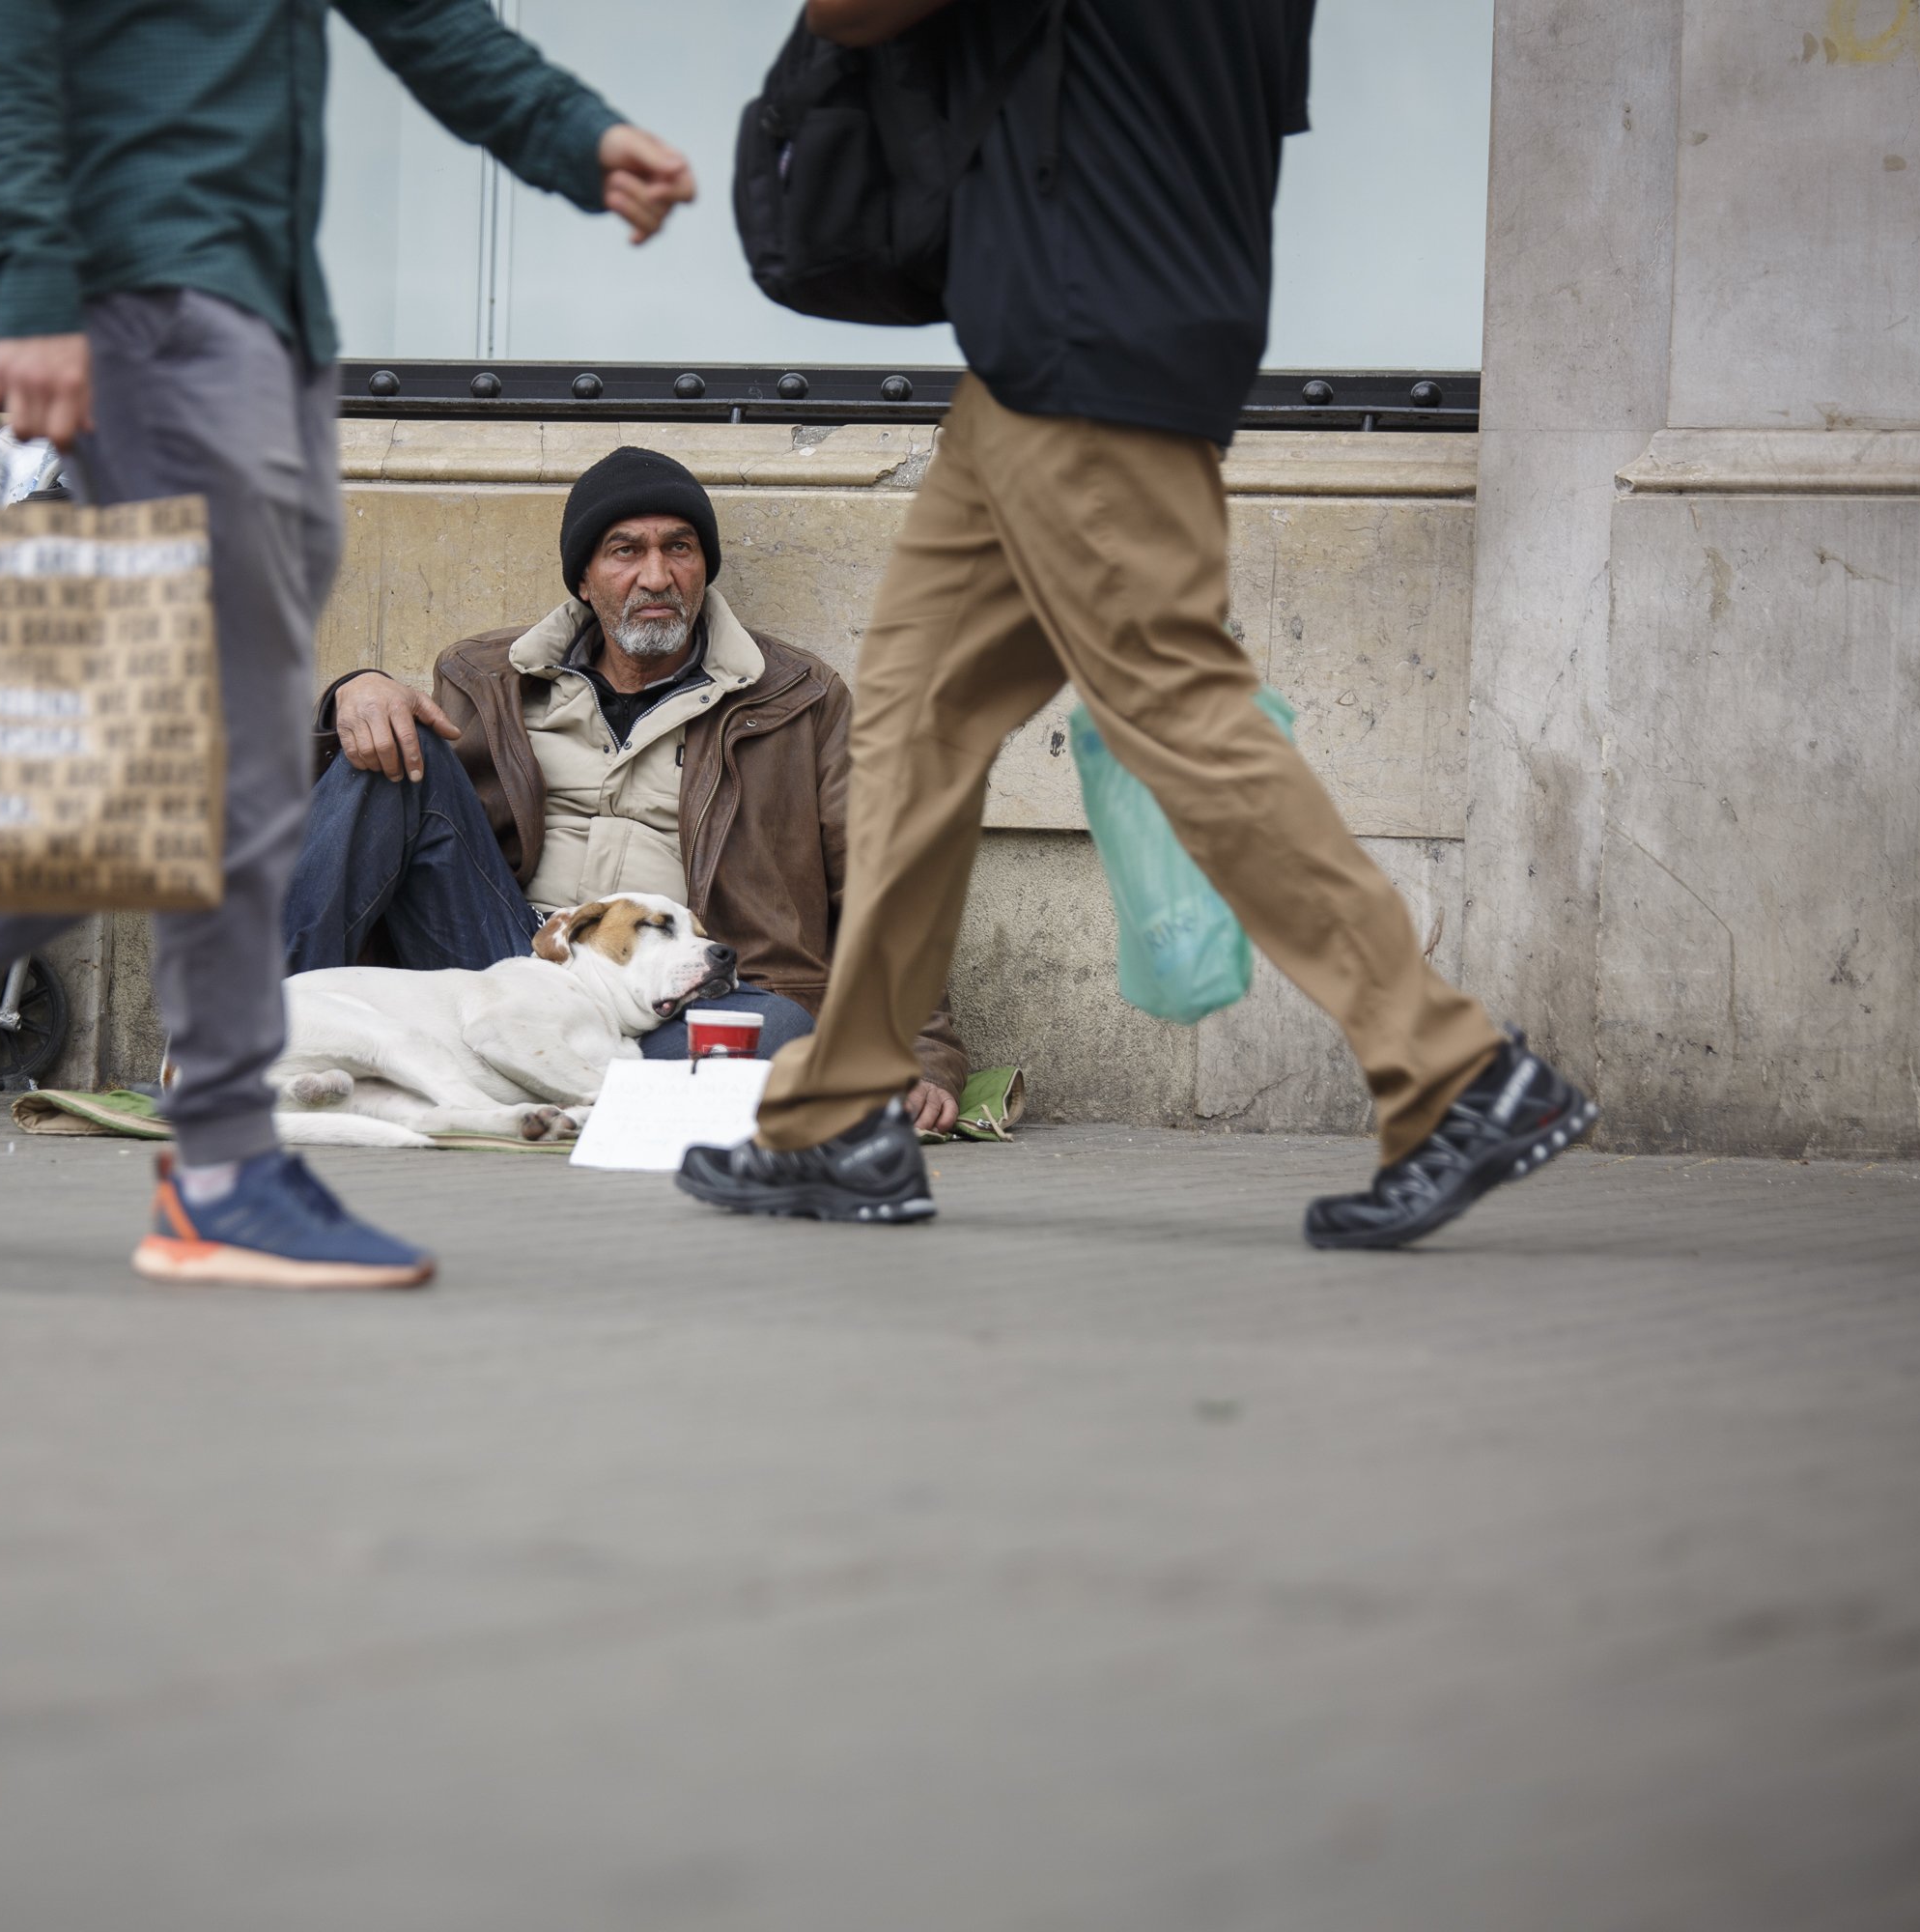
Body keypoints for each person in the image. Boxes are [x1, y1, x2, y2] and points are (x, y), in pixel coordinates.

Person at [0, 0, 696, 1289]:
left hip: (272, 334)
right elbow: (9, 46)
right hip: (149, 314)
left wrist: (579, 137)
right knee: (232, 773)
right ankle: (228, 1166)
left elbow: (432, 23)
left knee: (154, 797)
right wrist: (26, 280)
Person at [676, 0, 1595, 1247]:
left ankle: (1453, 1071)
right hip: (1072, 337)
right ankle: (844, 1114)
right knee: (916, 710)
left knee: (1174, 699)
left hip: (1083, 337)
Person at [289, 445, 971, 1127]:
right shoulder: (485, 677)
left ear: (703, 569)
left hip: (679, 986)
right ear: (584, 580)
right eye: (624, 552)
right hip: (508, 960)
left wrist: (920, 1049)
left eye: (679, 549)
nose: (656, 576)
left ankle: (526, 1083)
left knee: (779, 1029)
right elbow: (384, 823)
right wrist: (358, 689)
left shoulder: (799, 699)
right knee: (387, 757)